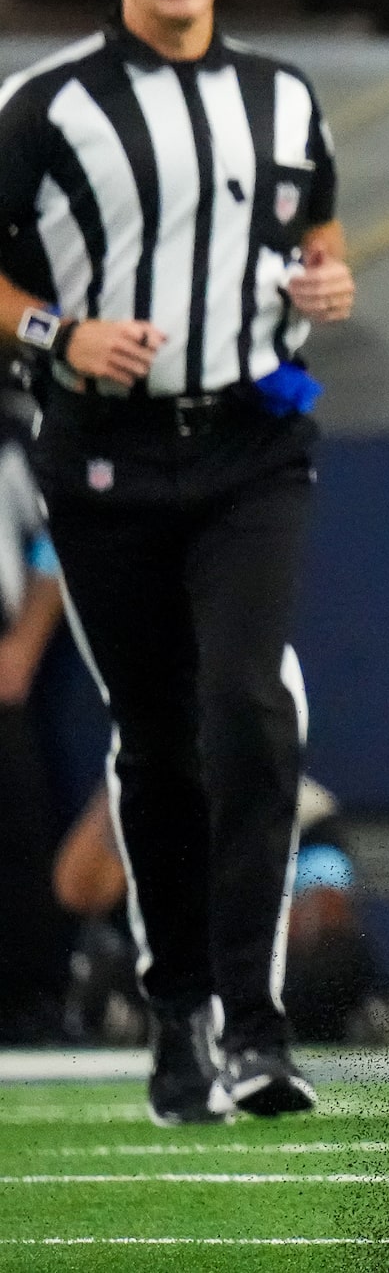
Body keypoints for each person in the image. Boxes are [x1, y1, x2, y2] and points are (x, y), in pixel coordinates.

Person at [0, 0, 355, 1125]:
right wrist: (57, 335)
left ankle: (256, 1032)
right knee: (155, 743)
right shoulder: (45, 105)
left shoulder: (279, 95)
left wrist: (327, 283)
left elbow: (315, 233)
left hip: (254, 441)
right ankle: (176, 1011)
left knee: (246, 707)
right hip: (105, 451)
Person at [0, 399, 67, 1040]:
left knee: (18, 842)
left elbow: (60, 530)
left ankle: (30, 1008)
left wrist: (23, 644)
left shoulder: (11, 436)